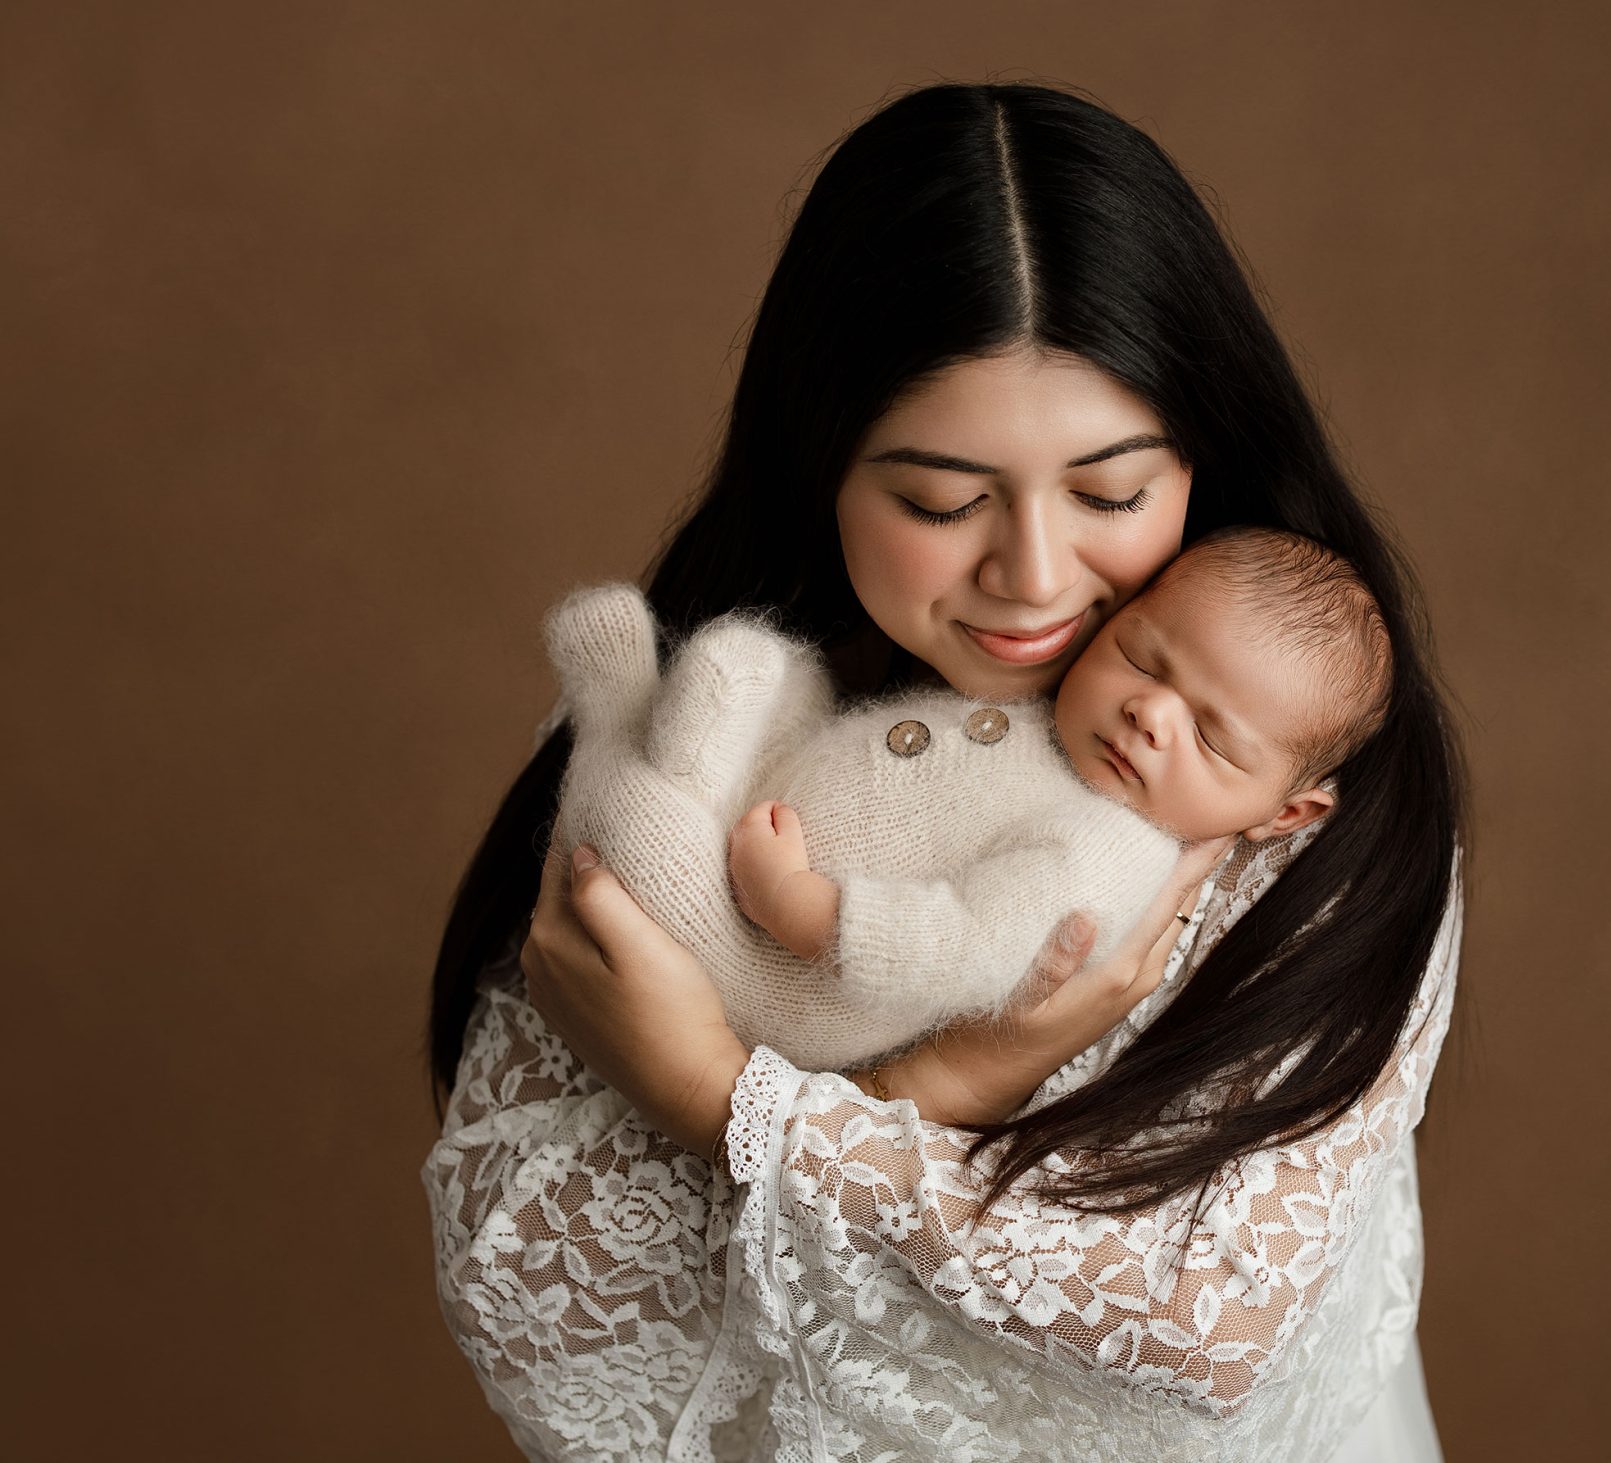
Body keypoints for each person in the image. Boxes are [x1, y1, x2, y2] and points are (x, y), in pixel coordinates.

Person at [423, 80, 1464, 1462]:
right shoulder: (708, 734)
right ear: (823, 468)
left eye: (1110, 493)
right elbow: (545, 1278)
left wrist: (724, 1099)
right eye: (938, 501)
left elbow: (1201, 1326)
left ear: (1201, 459)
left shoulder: (1303, 817)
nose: (1035, 577)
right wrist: (967, 1080)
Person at [538, 526, 1389, 1076]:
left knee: (637, 848)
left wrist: (794, 904)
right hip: (778, 823)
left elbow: (969, 943)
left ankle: (615, 718)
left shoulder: (1105, 850)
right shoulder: (1055, 709)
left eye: (1210, 736)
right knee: (760, 666)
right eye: (1143, 657)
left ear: (1285, 813)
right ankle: (672, 749)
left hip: (771, 966)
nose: (1150, 714)